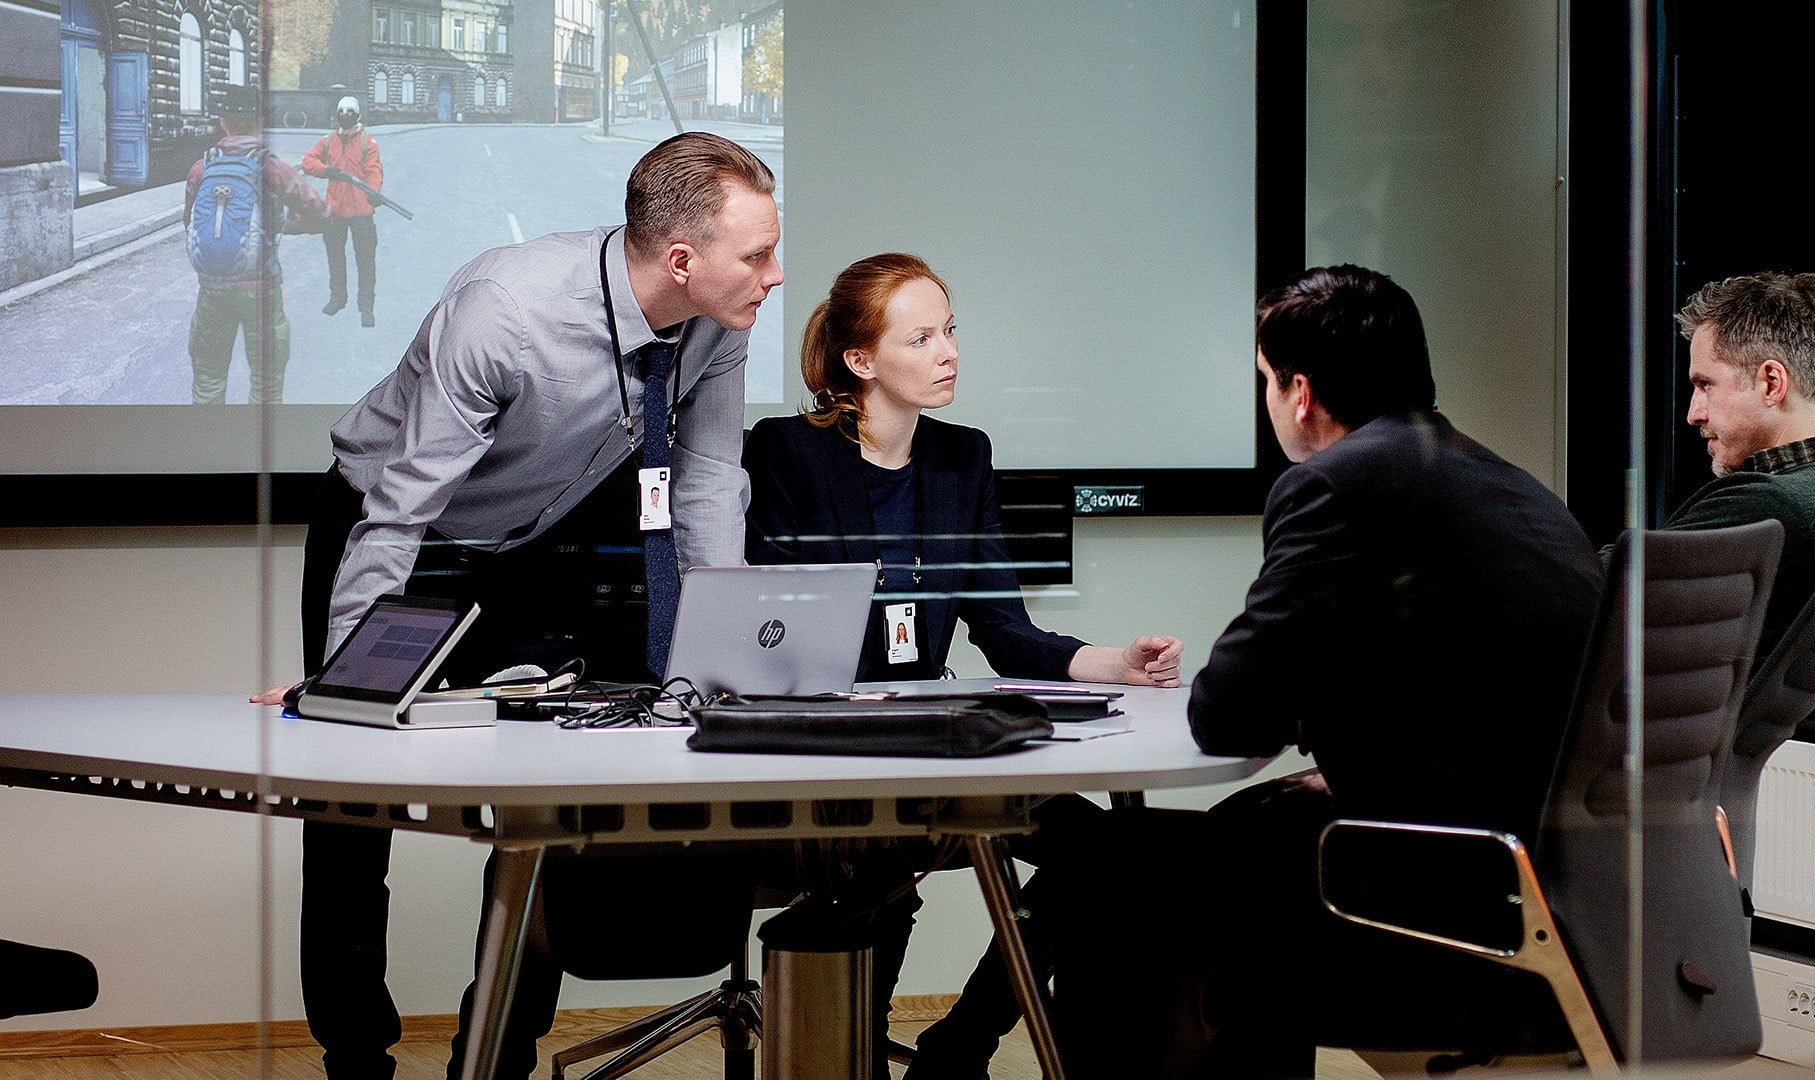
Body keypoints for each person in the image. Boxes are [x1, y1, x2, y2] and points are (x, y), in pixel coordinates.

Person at [254, 130, 782, 1080]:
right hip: (400, 527)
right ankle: (356, 1059)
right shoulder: (506, 311)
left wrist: (726, 651)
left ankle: (494, 1056)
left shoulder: (717, 322)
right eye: (757, 255)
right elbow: (400, 509)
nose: (774, 276)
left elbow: (708, 481)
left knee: (550, 794)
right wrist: (342, 682)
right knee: (349, 804)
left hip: (530, 538)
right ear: (680, 259)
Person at [1037, 265, 1604, 1079]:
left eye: (1267, 382)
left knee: (1110, 867)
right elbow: (1471, 686)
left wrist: (1319, 718)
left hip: (1447, 905)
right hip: (1561, 888)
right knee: (1234, 838)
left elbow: (1228, 714)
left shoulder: (1337, 482)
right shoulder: (1502, 484)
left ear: (1299, 393)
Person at [743, 252, 1184, 1076]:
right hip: (827, 749)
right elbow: (770, 628)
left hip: (931, 746)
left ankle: (959, 1046)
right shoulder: (787, 451)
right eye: (921, 338)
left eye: (949, 331)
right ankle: (855, 1054)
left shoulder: (961, 457)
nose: (948, 352)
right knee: (874, 864)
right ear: (860, 359)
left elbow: (1004, 631)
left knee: (1099, 852)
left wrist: (1115, 662)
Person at [1638, 270, 1815, 657]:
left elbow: (1588, 589)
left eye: (1705, 385)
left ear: (1771, 383)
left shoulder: (1769, 504)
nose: (1694, 414)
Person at [183, 84, 328, 404]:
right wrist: (284, 226)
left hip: (212, 290)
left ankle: (206, 436)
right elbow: (318, 214)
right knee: (266, 383)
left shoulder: (202, 167)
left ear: (223, 121)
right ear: (261, 122)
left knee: (208, 378)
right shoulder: (272, 168)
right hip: (262, 290)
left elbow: (188, 220)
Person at [303, 96, 384, 327]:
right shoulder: (329, 140)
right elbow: (308, 161)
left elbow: (374, 171)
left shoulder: (367, 142)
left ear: (357, 114)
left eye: (350, 111)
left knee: (366, 261)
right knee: (335, 258)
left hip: (361, 211)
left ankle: (366, 307)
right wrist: (327, 170)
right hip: (335, 211)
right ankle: (338, 298)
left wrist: (374, 191)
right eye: (341, 111)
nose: (345, 114)